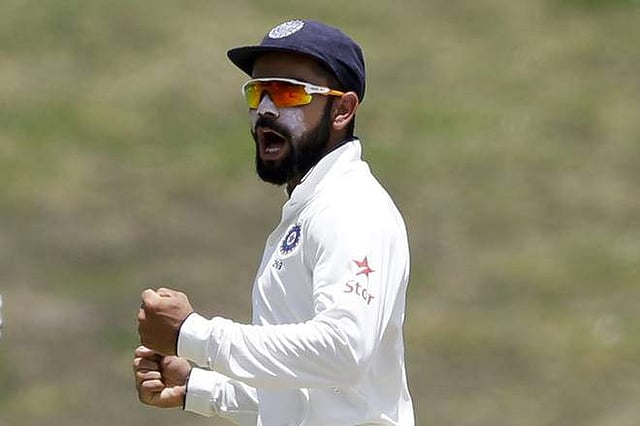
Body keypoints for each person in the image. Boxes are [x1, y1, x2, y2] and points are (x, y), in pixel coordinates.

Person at [134, 19, 415, 425]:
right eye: (257, 92)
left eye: (287, 92)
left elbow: (344, 350)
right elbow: (307, 396)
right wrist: (196, 386)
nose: (265, 109)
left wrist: (193, 335)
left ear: (342, 110)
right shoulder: (310, 207)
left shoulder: (351, 207)